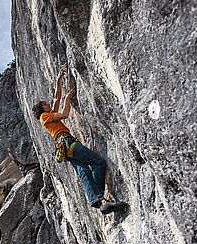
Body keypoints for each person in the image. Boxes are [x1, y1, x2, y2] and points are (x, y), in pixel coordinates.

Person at [32, 68, 127, 214]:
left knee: (83, 172)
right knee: (98, 162)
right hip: (68, 143)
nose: (49, 104)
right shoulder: (44, 117)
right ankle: (100, 198)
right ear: (42, 108)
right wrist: (68, 99)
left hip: (64, 149)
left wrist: (59, 80)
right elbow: (64, 114)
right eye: (45, 104)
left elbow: (56, 98)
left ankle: (101, 203)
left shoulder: (48, 115)